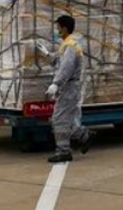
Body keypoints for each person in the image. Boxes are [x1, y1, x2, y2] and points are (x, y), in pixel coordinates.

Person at [45, 15, 92, 163]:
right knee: (67, 119)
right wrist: (47, 55)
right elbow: (60, 61)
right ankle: (84, 135)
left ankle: (64, 150)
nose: (56, 31)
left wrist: (56, 83)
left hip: (69, 87)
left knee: (59, 119)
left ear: (64, 28)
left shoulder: (71, 46)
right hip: (69, 87)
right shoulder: (67, 45)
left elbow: (66, 67)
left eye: (58, 28)